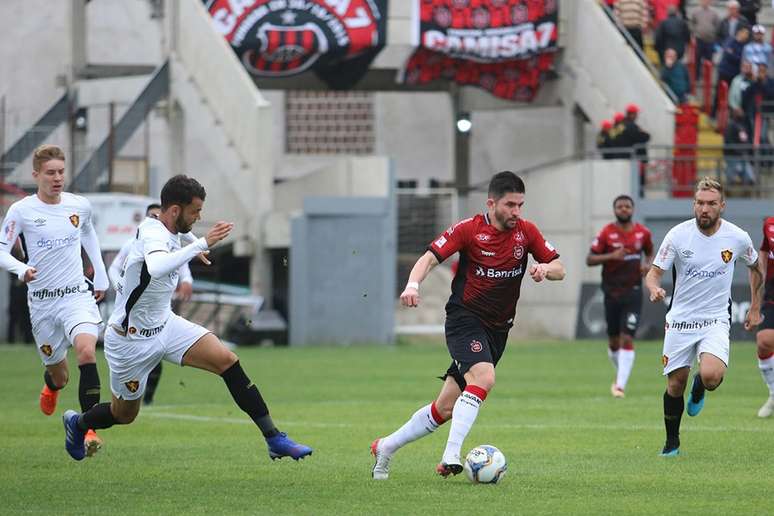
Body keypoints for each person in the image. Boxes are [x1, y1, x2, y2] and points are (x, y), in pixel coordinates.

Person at [61, 175, 313, 462]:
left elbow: (175, 233)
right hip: (130, 341)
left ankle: (274, 438)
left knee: (227, 361)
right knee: (124, 414)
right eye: (195, 211)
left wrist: (195, 241)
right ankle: (77, 423)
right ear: (176, 211)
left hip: (166, 326)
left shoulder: (164, 223)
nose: (199, 217)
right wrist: (202, 243)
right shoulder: (153, 234)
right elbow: (156, 266)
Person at [370, 171, 565, 479]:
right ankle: (451, 455)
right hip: (465, 319)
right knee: (485, 377)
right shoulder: (469, 230)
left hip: (498, 330)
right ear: (491, 203)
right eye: (510, 205)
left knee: (444, 408)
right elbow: (430, 258)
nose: (516, 212)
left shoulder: (526, 232)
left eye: (520, 205)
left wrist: (544, 268)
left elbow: (559, 268)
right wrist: (412, 285)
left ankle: (386, 446)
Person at [0, 144, 108, 456]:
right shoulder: (22, 211)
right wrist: (22, 269)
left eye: (61, 171)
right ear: (36, 176)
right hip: (43, 303)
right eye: (50, 173)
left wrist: (100, 274)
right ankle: (52, 386)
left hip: (76, 295)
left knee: (87, 350)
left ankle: (88, 430)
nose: (57, 178)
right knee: (60, 374)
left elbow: (89, 234)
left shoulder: (79, 205)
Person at [645, 177, 762, 457]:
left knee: (711, 376)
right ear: (693, 204)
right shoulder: (677, 235)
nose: (704, 209)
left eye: (711, 203)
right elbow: (654, 273)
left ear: (722, 205)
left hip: (715, 318)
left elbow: (757, 267)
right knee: (675, 383)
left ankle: (701, 386)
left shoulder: (737, 237)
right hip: (681, 318)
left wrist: (756, 305)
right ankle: (672, 442)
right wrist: (653, 289)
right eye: (700, 203)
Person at [107, 202, 194, 405]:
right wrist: (120, 286)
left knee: (157, 354)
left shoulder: (172, 241)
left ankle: (148, 398)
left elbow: (181, 264)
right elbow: (114, 268)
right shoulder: (133, 244)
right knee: (124, 409)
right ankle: (129, 396)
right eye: (152, 216)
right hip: (134, 312)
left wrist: (187, 281)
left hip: (162, 307)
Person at [587, 195, 654, 398]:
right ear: (614, 209)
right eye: (620, 206)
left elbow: (650, 253)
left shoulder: (643, 233)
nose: (623, 209)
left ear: (632, 209)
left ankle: (620, 386)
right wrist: (611, 256)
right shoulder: (606, 233)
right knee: (614, 342)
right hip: (611, 292)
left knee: (627, 338)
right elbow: (589, 259)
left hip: (633, 291)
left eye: (627, 206)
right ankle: (620, 376)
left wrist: (648, 265)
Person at [755, 216, 774, 417]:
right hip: (772, 293)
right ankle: (773, 394)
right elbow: (764, 249)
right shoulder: (769, 224)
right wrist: (760, 270)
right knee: (764, 341)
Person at [689, 0, 721, 81]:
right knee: (698, 59)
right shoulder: (695, 12)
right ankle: (697, 77)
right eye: (703, 1)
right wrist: (695, 32)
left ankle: (707, 77)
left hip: (710, 40)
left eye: (707, 1)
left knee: (709, 60)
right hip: (699, 39)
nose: (705, 2)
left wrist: (713, 33)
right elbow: (692, 23)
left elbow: (717, 25)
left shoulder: (714, 13)